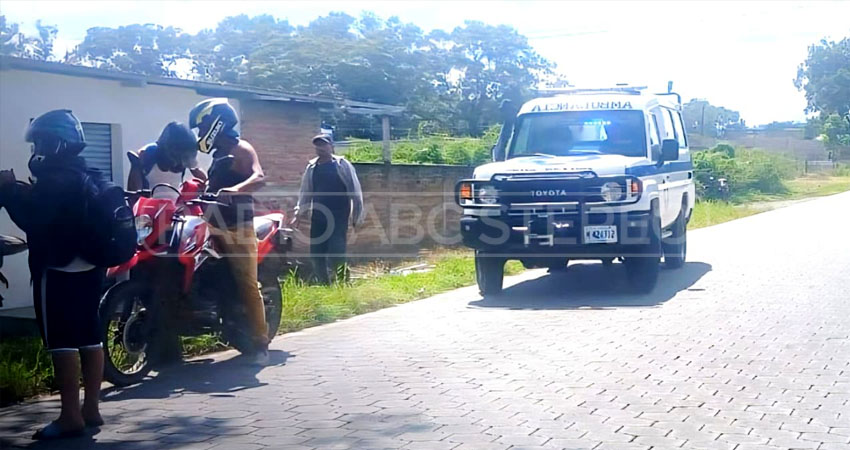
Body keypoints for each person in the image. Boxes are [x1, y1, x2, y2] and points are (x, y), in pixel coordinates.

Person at [0, 110, 106, 439]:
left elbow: (34, 219)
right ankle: (91, 408)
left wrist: (9, 191)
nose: (36, 151)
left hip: (57, 267)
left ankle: (69, 416)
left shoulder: (55, 179)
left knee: (61, 342)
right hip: (92, 265)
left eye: (41, 143)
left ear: (56, 143)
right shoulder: (87, 173)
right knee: (90, 336)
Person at [188, 98, 270, 365]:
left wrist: (235, 190)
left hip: (238, 226)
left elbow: (259, 177)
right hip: (211, 224)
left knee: (248, 284)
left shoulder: (241, 149)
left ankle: (260, 344)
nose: (201, 134)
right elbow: (212, 188)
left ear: (217, 124)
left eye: (203, 128)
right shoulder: (218, 156)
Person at [293, 134, 365, 284]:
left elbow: (355, 192)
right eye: (318, 145)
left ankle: (342, 283)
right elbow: (306, 192)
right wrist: (299, 213)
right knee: (316, 253)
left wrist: (357, 217)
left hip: (339, 215)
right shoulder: (312, 168)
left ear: (331, 146)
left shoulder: (342, 165)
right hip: (318, 216)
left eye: (324, 145)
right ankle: (324, 284)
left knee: (336, 250)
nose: (320, 148)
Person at [126, 121, 206, 192]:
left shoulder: (186, 156)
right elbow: (134, 192)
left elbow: (202, 178)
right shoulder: (148, 153)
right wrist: (135, 164)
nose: (177, 164)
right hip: (149, 205)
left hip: (176, 206)